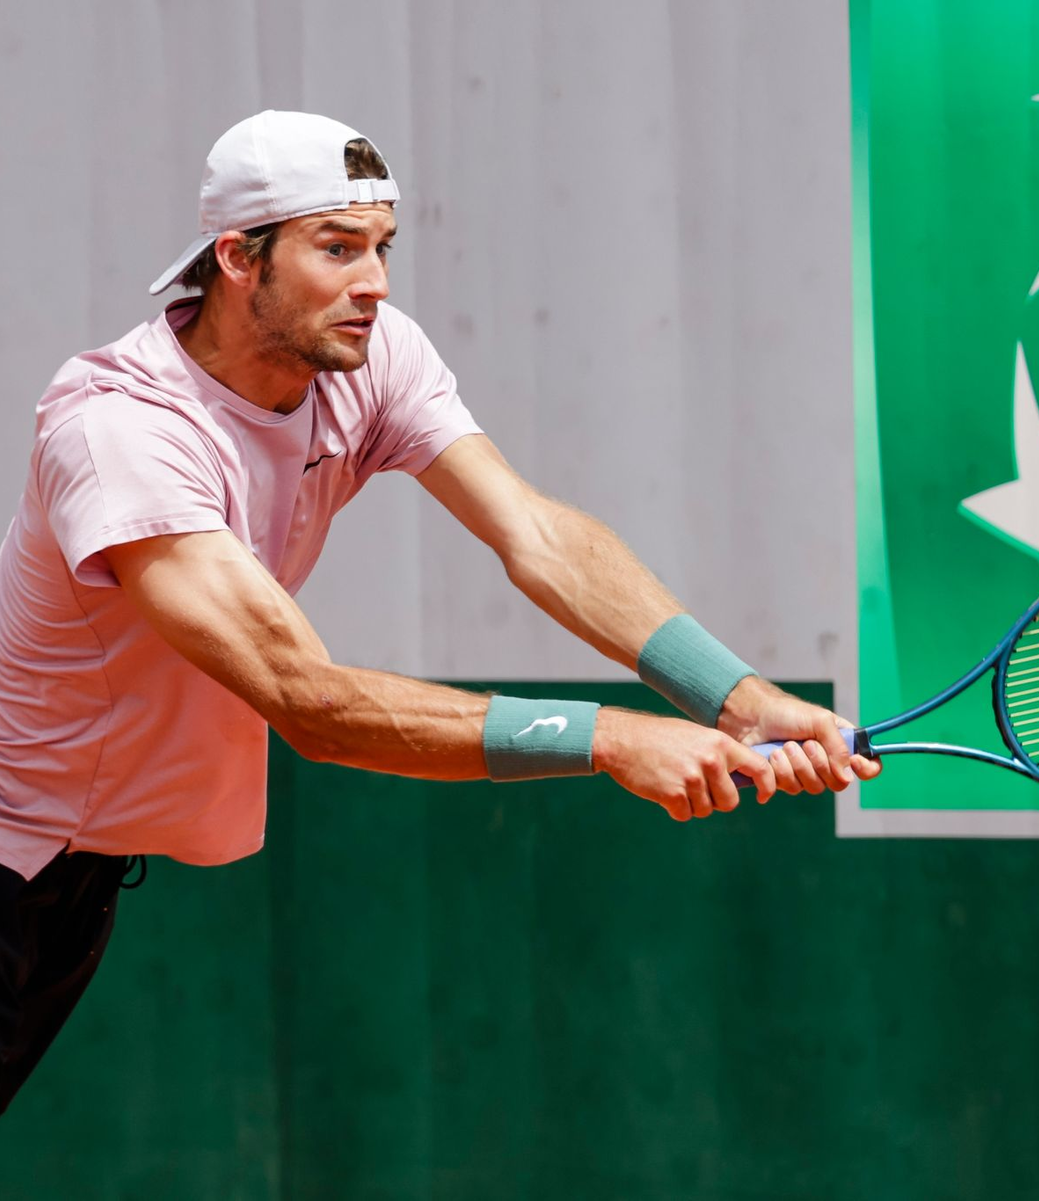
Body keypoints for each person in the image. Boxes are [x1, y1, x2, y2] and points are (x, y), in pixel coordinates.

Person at [0, 110, 879, 1112]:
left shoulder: (370, 357)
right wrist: (609, 738)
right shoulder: (121, 436)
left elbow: (539, 536)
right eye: (337, 248)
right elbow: (309, 700)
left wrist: (738, 696)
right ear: (239, 259)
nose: (375, 281)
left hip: (74, 869)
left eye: (383, 247)